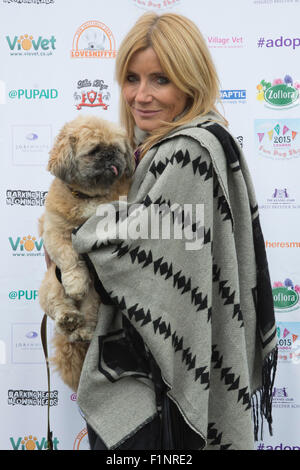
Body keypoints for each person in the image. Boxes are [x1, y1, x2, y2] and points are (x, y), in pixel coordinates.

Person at [70, 12, 277, 450]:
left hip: (158, 389)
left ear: (190, 81)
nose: (140, 95)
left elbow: (136, 260)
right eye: (131, 78)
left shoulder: (186, 152)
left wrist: (77, 239)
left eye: (160, 80)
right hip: (154, 375)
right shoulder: (185, 143)